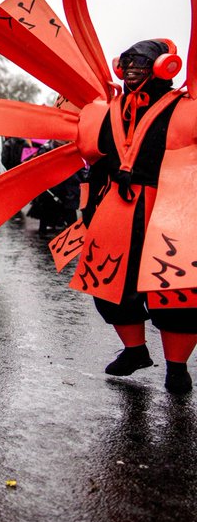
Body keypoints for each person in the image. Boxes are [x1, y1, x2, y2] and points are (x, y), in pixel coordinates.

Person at [79, 39, 197, 394]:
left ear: (164, 66)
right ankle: (135, 351)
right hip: (118, 206)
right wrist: (88, 205)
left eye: (141, 64)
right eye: (127, 63)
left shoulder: (185, 108)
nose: (132, 71)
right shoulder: (111, 109)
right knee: (108, 283)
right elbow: (97, 163)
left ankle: (177, 367)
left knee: (176, 288)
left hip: (170, 208)